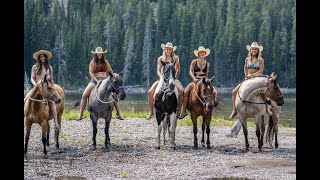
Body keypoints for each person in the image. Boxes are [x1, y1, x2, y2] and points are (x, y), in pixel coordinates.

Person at [228, 42, 272, 120]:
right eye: (252, 49)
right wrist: (246, 75)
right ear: (250, 50)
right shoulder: (247, 59)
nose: (254, 50)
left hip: (257, 78)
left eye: (255, 49)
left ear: (258, 50)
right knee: (234, 92)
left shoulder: (260, 60)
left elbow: (261, 71)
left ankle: (267, 108)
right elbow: (245, 68)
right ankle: (234, 110)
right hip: (247, 78)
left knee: (262, 92)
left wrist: (252, 75)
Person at [78, 47, 124, 121]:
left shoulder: (105, 62)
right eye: (98, 53)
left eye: (100, 53)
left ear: (102, 54)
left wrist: (114, 78)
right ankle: (80, 114)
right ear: (96, 54)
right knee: (85, 95)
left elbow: (111, 72)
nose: (99, 54)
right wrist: (96, 81)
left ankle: (119, 113)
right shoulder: (92, 62)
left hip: (104, 80)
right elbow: (91, 73)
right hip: (94, 81)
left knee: (114, 95)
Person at [146, 42, 184, 120]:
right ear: (164, 49)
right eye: (167, 49)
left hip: (172, 79)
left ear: (172, 50)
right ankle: (151, 111)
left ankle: (179, 110)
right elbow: (158, 70)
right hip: (162, 78)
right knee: (150, 92)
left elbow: (178, 69)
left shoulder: (175, 58)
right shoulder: (160, 59)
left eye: (170, 49)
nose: (168, 51)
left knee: (182, 91)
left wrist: (175, 78)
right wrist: (161, 78)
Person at [179, 46, 218, 119]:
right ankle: (184, 111)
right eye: (201, 52)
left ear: (205, 54)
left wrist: (207, 81)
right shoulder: (194, 62)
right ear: (198, 54)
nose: (202, 53)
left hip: (204, 81)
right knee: (186, 92)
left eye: (203, 52)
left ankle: (211, 105)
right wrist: (194, 78)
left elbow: (206, 74)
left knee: (214, 92)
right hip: (195, 81)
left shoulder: (207, 64)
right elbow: (190, 71)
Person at [24, 50, 59, 129]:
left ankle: (56, 122)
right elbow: (32, 78)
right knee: (25, 99)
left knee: (52, 102)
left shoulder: (50, 68)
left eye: (44, 57)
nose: (42, 58)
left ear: (46, 58)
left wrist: (50, 84)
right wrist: (36, 85)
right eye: (41, 57)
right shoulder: (35, 67)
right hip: (36, 87)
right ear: (39, 59)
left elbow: (51, 79)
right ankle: (25, 118)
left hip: (45, 88)